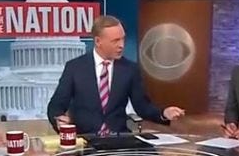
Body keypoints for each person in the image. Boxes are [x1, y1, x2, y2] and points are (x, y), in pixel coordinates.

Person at [47, 15, 185, 136]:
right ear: (98, 41)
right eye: (115, 41)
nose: (121, 45)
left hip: (118, 139)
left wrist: (164, 113)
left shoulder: (130, 69)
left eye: (123, 39)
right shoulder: (75, 68)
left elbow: (143, 106)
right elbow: (56, 105)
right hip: (85, 139)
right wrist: (59, 120)